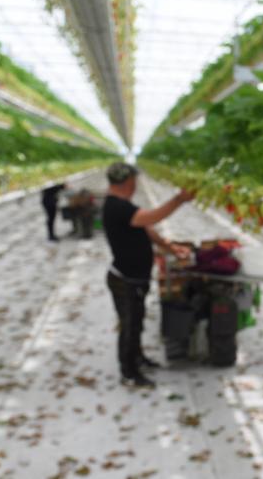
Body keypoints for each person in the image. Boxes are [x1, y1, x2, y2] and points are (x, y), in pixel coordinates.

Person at [102, 162, 195, 388]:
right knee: (129, 326)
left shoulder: (122, 205)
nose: (136, 184)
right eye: (134, 180)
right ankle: (129, 373)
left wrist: (169, 247)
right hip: (125, 280)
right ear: (128, 181)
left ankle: (138, 358)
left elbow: (146, 228)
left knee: (137, 322)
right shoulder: (116, 207)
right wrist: (178, 200)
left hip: (134, 279)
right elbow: (152, 217)